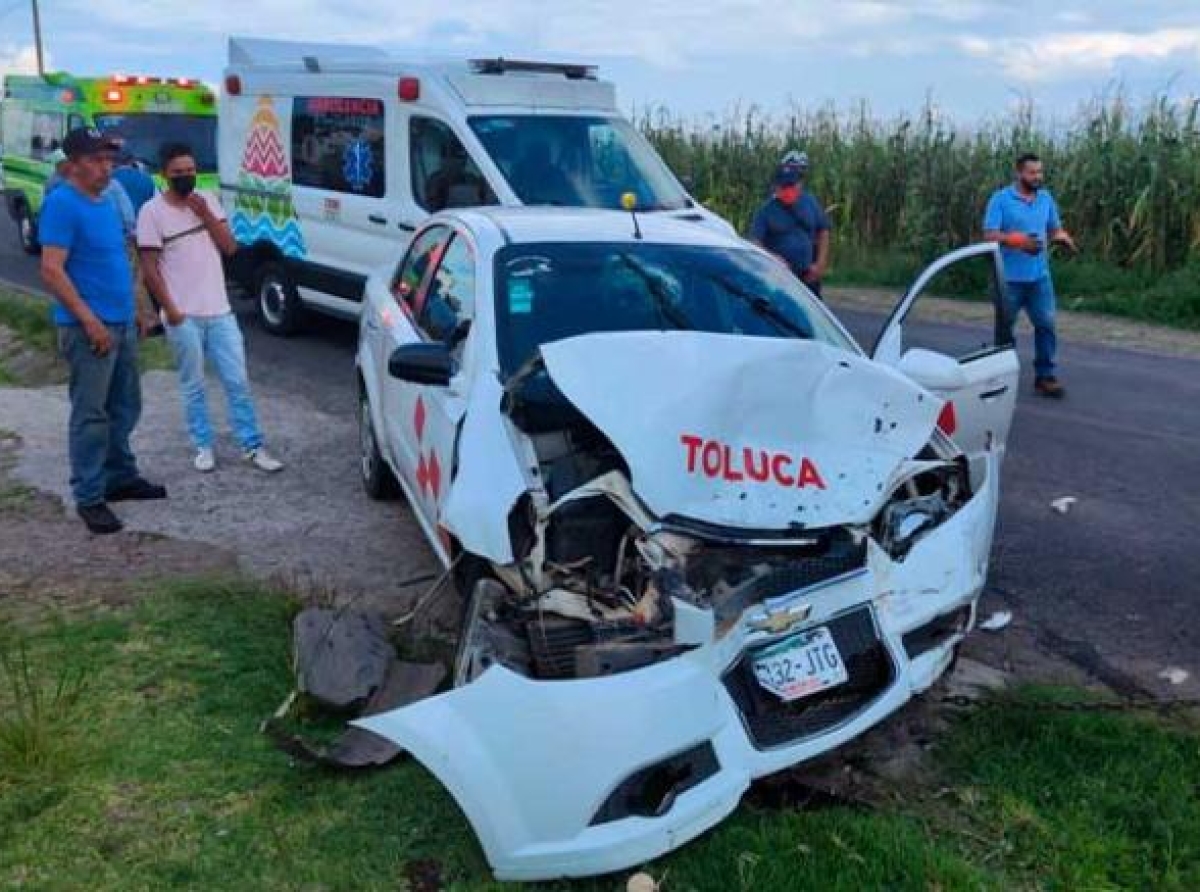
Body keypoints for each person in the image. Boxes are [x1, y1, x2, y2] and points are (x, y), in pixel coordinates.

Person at [38, 127, 166, 535]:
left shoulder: (106, 200)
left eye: (109, 160)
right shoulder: (63, 204)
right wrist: (89, 320)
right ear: (73, 164)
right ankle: (90, 496)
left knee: (125, 405)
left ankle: (119, 476)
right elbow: (52, 270)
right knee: (91, 414)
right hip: (87, 328)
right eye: (96, 160)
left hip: (122, 322)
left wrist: (141, 312)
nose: (105, 167)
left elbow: (120, 259)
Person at [137, 142, 284, 474]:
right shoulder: (152, 212)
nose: (186, 177)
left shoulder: (208, 201)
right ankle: (203, 445)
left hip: (219, 310)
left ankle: (252, 445)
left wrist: (204, 214)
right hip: (183, 314)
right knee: (194, 384)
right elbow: (150, 268)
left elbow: (229, 247)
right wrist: (170, 310)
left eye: (190, 171)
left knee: (238, 381)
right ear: (164, 175)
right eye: (178, 173)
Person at [983, 153, 1078, 397]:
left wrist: (1062, 238)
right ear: (1019, 173)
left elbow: (1054, 228)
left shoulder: (1045, 199)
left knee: (1046, 325)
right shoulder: (1001, 199)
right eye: (1032, 173)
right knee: (1005, 330)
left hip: (1039, 278)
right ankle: (1004, 378)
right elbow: (990, 235)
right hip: (1008, 279)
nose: (1037, 177)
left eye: (1040, 172)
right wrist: (1017, 241)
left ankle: (1045, 377)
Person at [749, 152, 831, 296]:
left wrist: (820, 264)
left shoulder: (810, 202)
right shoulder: (765, 211)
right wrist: (773, 259)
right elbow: (755, 242)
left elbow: (823, 231)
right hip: (780, 276)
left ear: (799, 184)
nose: (787, 190)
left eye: (791, 185)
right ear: (777, 186)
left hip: (808, 276)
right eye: (783, 186)